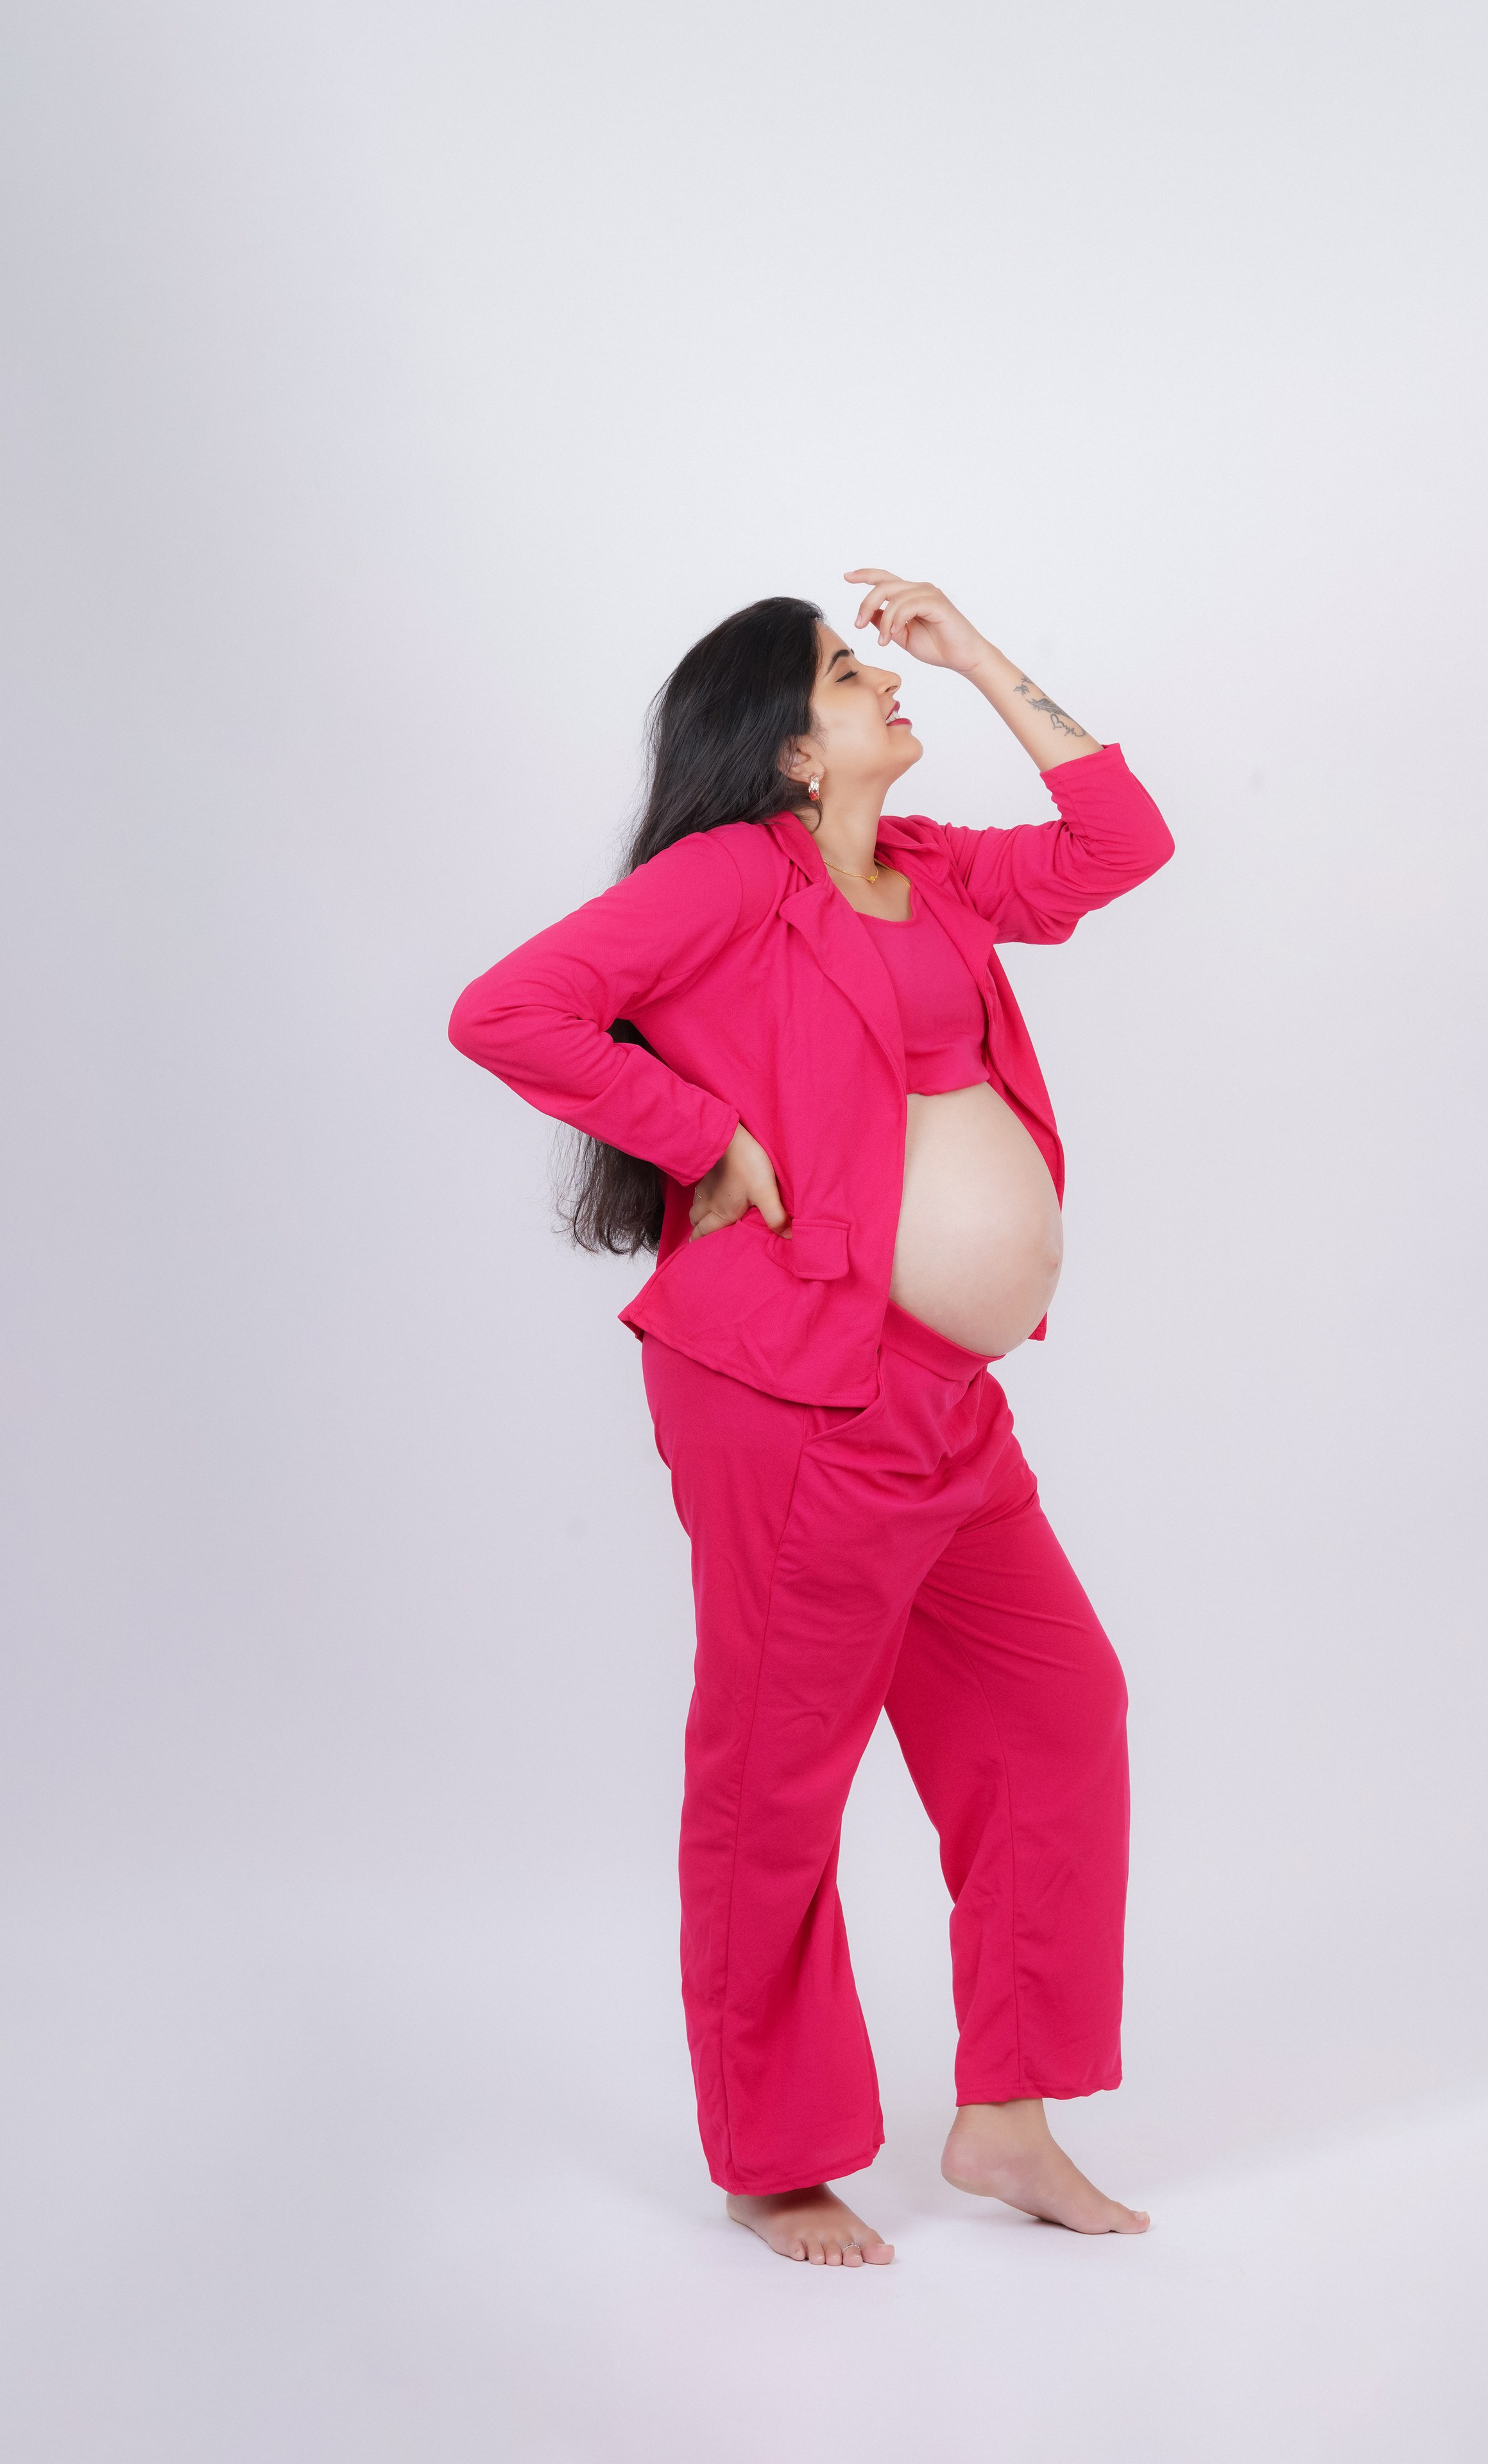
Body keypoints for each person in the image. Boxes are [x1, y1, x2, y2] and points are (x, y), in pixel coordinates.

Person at [449, 570, 1175, 2267]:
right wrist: (695, 1132)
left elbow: (1122, 843)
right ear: (786, 748)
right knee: (780, 1774)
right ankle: (775, 2159)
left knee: (1054, 1712)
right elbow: (511, 1011)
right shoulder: (725, 883)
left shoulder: (933, 874)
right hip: (791, 1390)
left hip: (944, 1400)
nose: (885, 687)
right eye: (854, 675)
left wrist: (980, 656)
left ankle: (1005, 2123)